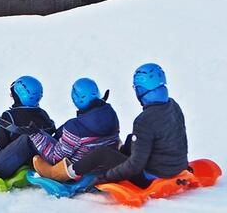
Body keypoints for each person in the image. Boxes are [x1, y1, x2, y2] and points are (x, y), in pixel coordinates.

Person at [34, 63, 189, 188]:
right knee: (131, 139)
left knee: (103, 153)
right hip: (176, 167)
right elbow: (179, 139)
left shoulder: (144, 121)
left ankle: (60, 173)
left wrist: (106, 176)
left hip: (149, 176)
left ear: (140, 90)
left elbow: (135, 167)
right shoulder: (173, 105)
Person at [0, 77, 119, 179]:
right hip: (93, 161)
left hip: (71, 166)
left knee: (27, 138)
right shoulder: (110, 115)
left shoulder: (75, 126)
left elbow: (57, 156)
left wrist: (35, 135)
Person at [0, 75, 56, 152]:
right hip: (43, 158)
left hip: (16, 160)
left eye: (13, 94)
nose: (11, 95)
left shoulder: (9, 116)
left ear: (18, 96)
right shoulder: (43, 114)